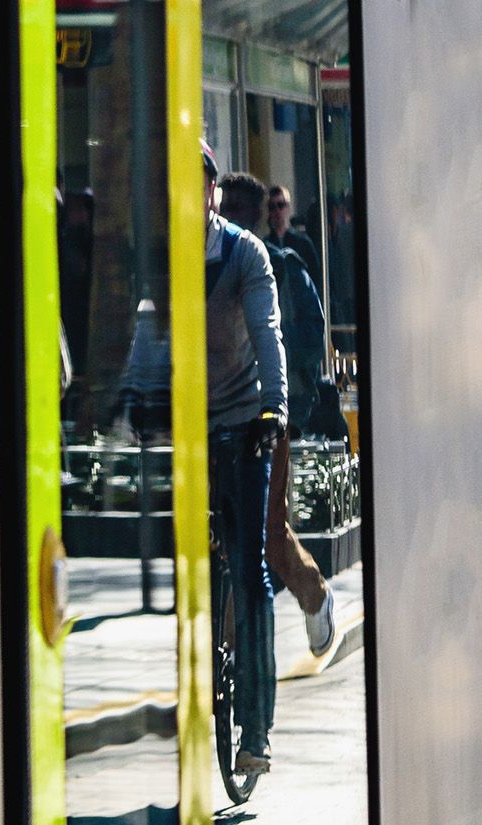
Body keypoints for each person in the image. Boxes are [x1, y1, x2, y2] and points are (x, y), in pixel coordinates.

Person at [217, 173, 339, 656]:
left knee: (266, 530)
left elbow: (308, 341)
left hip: (268, 418)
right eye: (228, 210)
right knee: (227, 537)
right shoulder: (212, 264)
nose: (234, 219)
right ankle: (229, 651)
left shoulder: (283, 267)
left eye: (242, 210)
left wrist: (290, 410)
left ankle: (314, 595)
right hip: (218, 416)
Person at [201, 151, 287, 776]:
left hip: (241, 424)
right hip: (189, 428)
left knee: (251, 570)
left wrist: (273, 408)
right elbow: (147, 335)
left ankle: (255, 728)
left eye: (197, 184)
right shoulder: (164, 257)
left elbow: (267, 331)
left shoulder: (245, 255)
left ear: (212, 192)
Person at [263, 183, 324, 289]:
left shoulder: (302, 242)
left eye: (281, 205)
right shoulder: (265, 245)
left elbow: (316, 278)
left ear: (288, 207)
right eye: (272, 207)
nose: (277, 211)